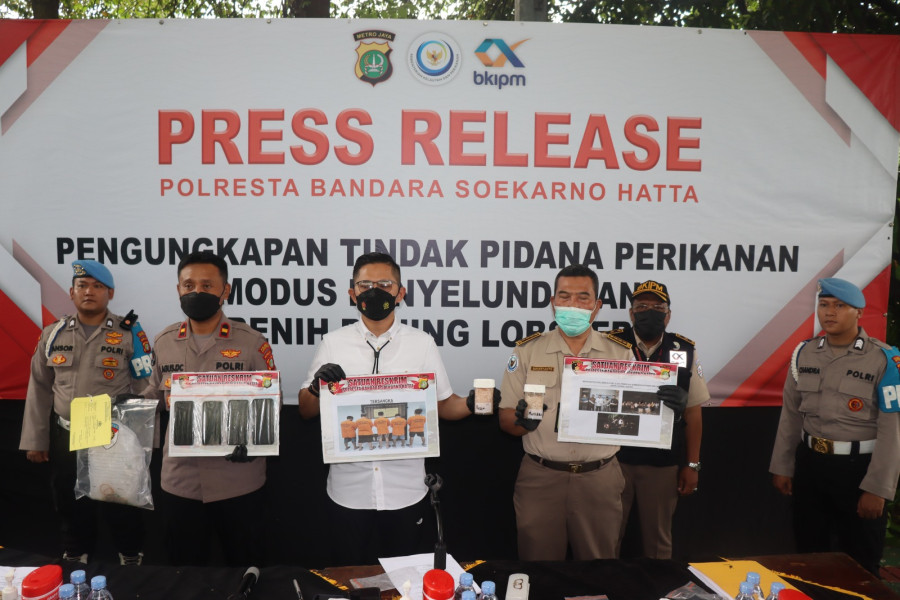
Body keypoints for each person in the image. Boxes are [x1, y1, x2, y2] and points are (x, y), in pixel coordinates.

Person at [499, 265, 687, 561]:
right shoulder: (526, 351)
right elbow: (506, 419)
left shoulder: (620, 353)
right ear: (553, 302)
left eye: (583, 297)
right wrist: (521, 422)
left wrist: (668, 410)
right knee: (540, 570)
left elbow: (636, 416)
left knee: (600, 569)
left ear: (597, 306)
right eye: (564, 296)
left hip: (600, 479)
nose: (573, 304)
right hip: (540, 478)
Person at [298, 251, 475, 565]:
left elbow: (445, 405)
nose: (374, 291)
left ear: (400, 293)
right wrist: (316, 387)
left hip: (405, 490)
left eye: (384, 284)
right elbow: (305, 410)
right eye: (365, 285)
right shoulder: (333, 343)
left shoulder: (421, 343)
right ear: (352, 293)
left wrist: (475, 403)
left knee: (404, 579)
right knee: (349, 577)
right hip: (348, 490)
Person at [145, 250, 278, 567]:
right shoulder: (164, 341)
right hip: (180, 480)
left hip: (237, 479)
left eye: (207, 286)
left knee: (245, 569)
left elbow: (270, 400)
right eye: (188, 285)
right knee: (184, 572)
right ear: (178, 289)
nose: (196, 292)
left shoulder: (251, 343)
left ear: (225, 290)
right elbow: (151, 396)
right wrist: (115, 411)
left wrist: (256, 443)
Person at [19, 260, 153, 565]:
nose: (89, 291)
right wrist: (35, 440)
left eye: (97, 286)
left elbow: (146, 387)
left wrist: (144, 442)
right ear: (71, 292)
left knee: (121, 500)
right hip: (66, 434)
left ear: (110, 293)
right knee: (68, 500)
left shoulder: (130, 333)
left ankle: (130, 555)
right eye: (82, 286)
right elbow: (39, 388)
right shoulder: (53, 334)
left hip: (112, 436)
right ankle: (75, 552)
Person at [770, 277, 900, 575]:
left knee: (860, 564)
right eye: (824, 305)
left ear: (859, 312)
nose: (829, 312)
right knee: (808, 556)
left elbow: (892, 430)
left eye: (840, 306)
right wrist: (783, 466)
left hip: (858, 471)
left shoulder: (884, 359)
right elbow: (791, 414)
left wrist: (878, 488)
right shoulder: (804, 353)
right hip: (811, 465)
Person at [607, 280, 708, 560]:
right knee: (606, 537)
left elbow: (694, 412)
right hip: (614, 460)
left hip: (662, 464)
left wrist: (692, 464)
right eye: (642, 307)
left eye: (657, 307)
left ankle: (659, 584)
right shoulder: (610, 344)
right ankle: (605, 583)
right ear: (631, 313)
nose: (649, 312)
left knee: (658, 543)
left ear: (668, 315)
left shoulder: (684, 349)